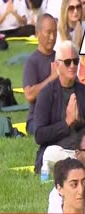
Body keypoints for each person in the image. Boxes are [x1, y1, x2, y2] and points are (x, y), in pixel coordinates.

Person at [34, 40, 85, 174]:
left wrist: (79, 122)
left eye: (75, 61)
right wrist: (66, 123)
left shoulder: (83, 91)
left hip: (80, 151)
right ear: (57, 65)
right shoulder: (46, 94)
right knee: (51, 154)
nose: (72, 66)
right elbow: (39, 135)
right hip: (58, 151)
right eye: (68, 62)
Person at [23, 13, 57, 135]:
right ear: (37, 33)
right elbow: (29, 95)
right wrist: (52, 78)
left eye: (55, 32)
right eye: (48, 32)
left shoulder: (61, 58)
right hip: (37, 119)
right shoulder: (32, 62)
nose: (52, 37)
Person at [48, 130, 85, 213]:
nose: (81, 190)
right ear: (77, 153)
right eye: (74, 185)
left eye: (83, 183)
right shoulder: (57, 195)